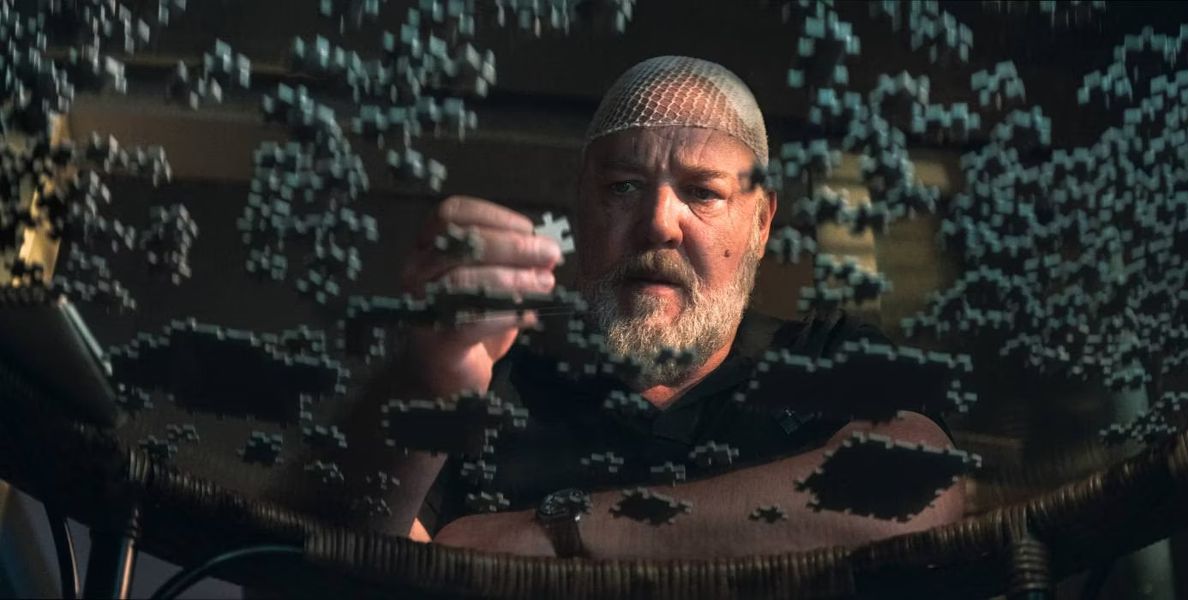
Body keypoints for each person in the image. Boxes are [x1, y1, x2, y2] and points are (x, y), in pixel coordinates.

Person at [379, 55, 964, 559]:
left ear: (761, 223)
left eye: (703, 192)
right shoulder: (497, 375)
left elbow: (919, 487)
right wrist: (420, 381)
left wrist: (550, 532)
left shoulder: (824, 360)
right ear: (580, 209)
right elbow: (369, 554)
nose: (659, 224)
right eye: (623, 187)